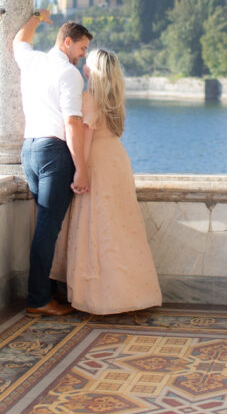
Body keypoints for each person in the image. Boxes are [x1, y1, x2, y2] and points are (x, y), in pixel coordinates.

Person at [51, 48, 162, 315]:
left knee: (96, 226)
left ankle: (101, 297)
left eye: (87, 63)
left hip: (98, 164)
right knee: (122, 227)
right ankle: (134, 292)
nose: (84, 66)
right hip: (118, 163)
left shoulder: (89, 99)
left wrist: (80, 171)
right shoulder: (115, 98)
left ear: (93, 70)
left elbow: (85, 139)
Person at [13, 10, 93, 316]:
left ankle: (46, 291)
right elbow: (72, 122)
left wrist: (36, 17)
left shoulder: (32, 61)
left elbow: (20, 40)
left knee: (45, 227)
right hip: (54, 153)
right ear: (68, 42)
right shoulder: (68, 74)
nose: (83, 56)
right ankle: (38, 299)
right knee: (47, 230)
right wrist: (82, 168)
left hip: (29, 150)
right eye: (82, 48)